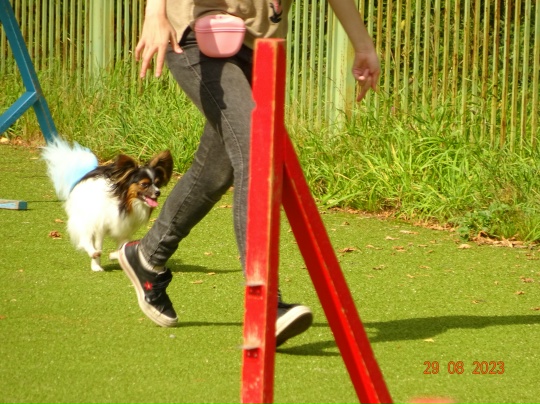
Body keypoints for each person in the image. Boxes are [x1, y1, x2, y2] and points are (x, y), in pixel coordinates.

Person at [118, 0, 380, 347]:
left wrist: (363, 45)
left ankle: (148, 256)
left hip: (260, 44)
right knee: (256, 149)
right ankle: (265, 305)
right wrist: (155, 13)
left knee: (216, 171)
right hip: (198, 33)